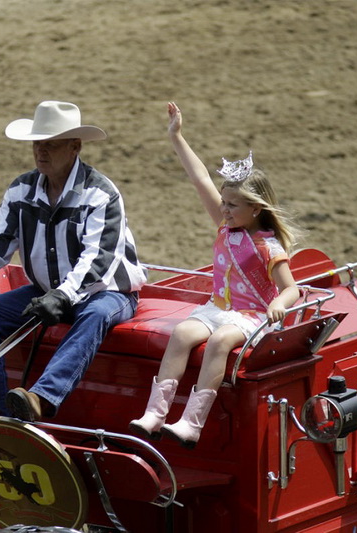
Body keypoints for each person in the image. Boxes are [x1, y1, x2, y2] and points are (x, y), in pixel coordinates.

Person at [0, 101, 146, 422]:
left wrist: (62, 295)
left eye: (51, 144)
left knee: (96, 313)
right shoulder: (21, 191)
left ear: (75, 147)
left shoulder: (100, 194)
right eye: (37, 143)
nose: (40, 151)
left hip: (106, 292)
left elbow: (98, 259)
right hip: (49, 291)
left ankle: (43, 397)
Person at [129, 102, 301, 447]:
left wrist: (279, 304)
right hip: (218, 308)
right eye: (224, 202)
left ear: (256, 208)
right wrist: (176, 137)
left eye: (233, 205)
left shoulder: (269, 248)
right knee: (181, 333)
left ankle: (192, 422)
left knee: (222, 340)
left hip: (251, 316)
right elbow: (200, 178)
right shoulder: (226, 228)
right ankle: (155, 413)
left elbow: (291, 289)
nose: (224, 209)